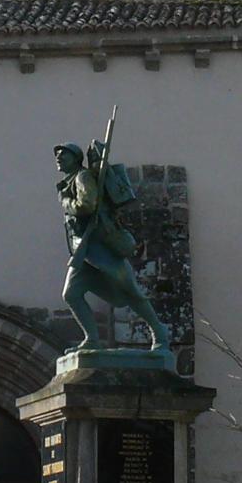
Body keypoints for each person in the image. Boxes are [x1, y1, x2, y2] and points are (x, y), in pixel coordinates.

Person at [56, 136, 168, 355]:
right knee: (71, 294)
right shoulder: (69, 182)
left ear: (76, 158)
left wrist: (67, 202)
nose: (58, 158)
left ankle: (159, 332)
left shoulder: (82, 177)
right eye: (57, 155)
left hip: (100, 246)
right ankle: (92, 339)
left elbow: (87, 204)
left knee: (130, 291)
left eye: (63, 155)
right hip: (85, 250)